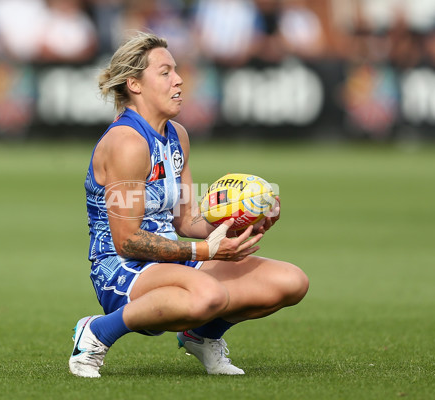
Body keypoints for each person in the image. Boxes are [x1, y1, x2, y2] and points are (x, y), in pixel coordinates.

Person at [69, 31, 309, 378]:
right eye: (165, 72)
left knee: (290, 282)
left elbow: (187, 219)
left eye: (176, 70)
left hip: (174, 259)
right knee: (208, 295)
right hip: (122, 270)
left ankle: (201, 336)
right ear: (134, 84)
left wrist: (245, 221)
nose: (179, 79)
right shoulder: (126, 142)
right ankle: (96, 332)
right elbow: (127, 241)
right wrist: (205, 251)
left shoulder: (177, 134)